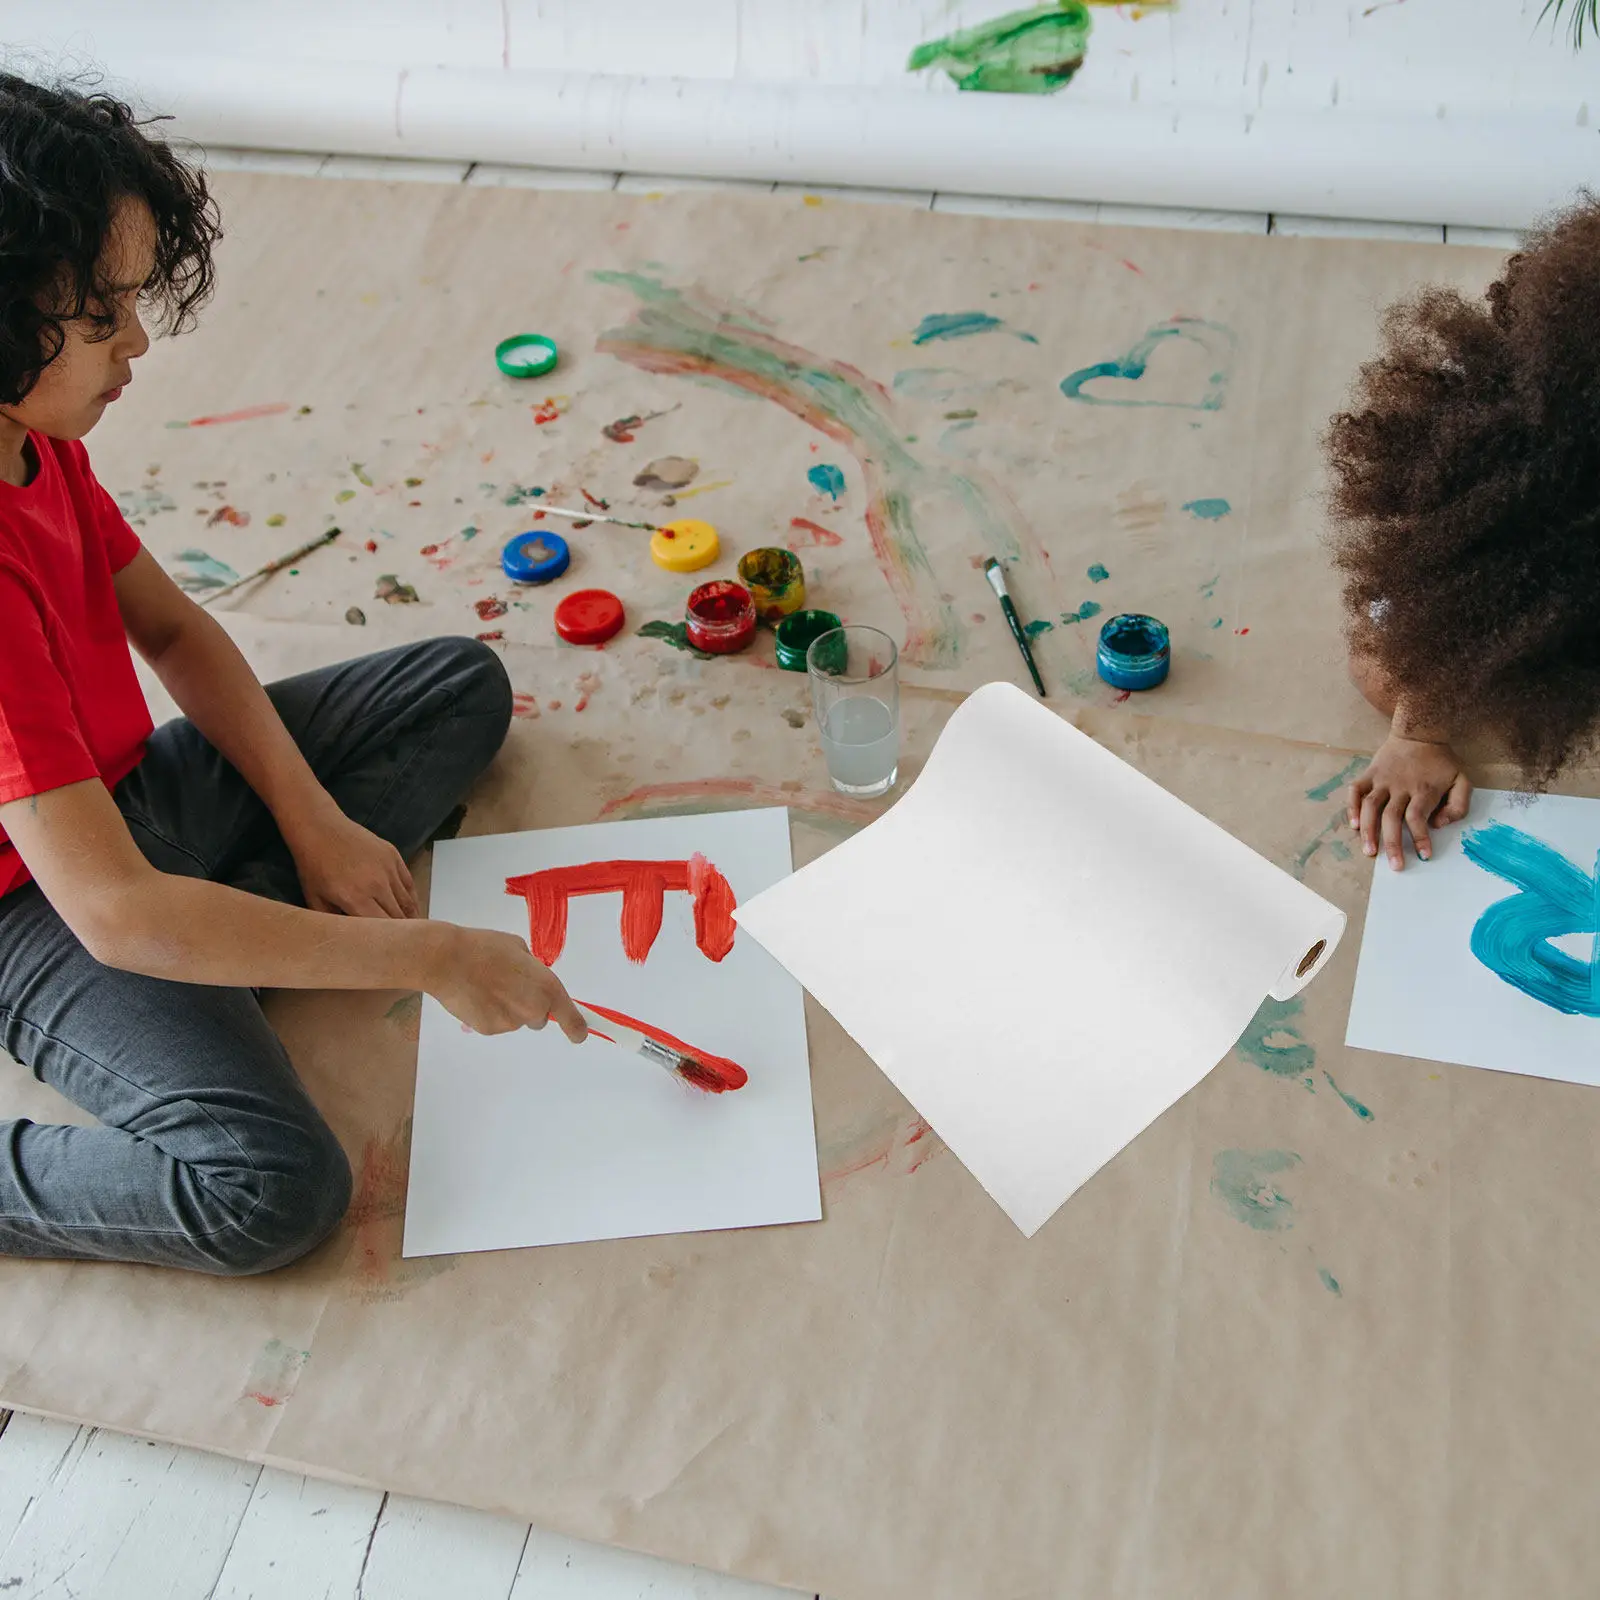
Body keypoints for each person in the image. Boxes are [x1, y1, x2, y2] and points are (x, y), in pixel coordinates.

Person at [0, 75, 585, 1276]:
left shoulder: (33, 441)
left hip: (127, 800)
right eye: (104, 314)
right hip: (38, 902)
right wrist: (431, 953)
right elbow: (110, 909)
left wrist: (312, 822)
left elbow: (177, 635)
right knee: (271, 1189)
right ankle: (210, 947)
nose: (139, 343)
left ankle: (227, 935)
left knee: (454, 686)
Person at [1327, 193, 1600, 870]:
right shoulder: (1508, 464)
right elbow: (1434, 614)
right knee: (1384, 668)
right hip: (1543, 582)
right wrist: (1416, 735)